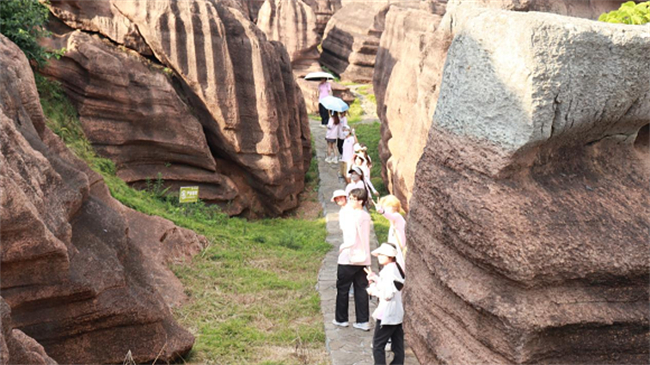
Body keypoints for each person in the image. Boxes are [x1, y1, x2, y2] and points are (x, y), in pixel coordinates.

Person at [333, 188, 372, 331]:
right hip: (363, 259)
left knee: (343, 289)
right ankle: (363, 320)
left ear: (360, 201)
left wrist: (343, 247)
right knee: (361, 289)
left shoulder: (352, 216)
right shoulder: (366, 216)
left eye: (352, 199)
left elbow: (350, 235)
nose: (350, 201)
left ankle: (341, 319)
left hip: (348, 258)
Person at [365, 243, 405, 365]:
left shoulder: (388, 271)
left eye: (383, 254)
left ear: (390, 256)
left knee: (377, 346)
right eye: (379, 254)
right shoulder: (395, 268)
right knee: (398, 346)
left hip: (387, 315)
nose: (380, 256)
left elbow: (387, 295)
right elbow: (390, 286)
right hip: (396, 313)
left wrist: (372, 289)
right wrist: (374, 278)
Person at [376, 195, 407, 269]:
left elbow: (389, 216)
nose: (385, 209)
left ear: (393, 206)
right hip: (396, 249)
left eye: (386, 206)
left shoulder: (397, 216)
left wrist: (382, 211)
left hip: (399, 249)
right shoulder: (392, 220)